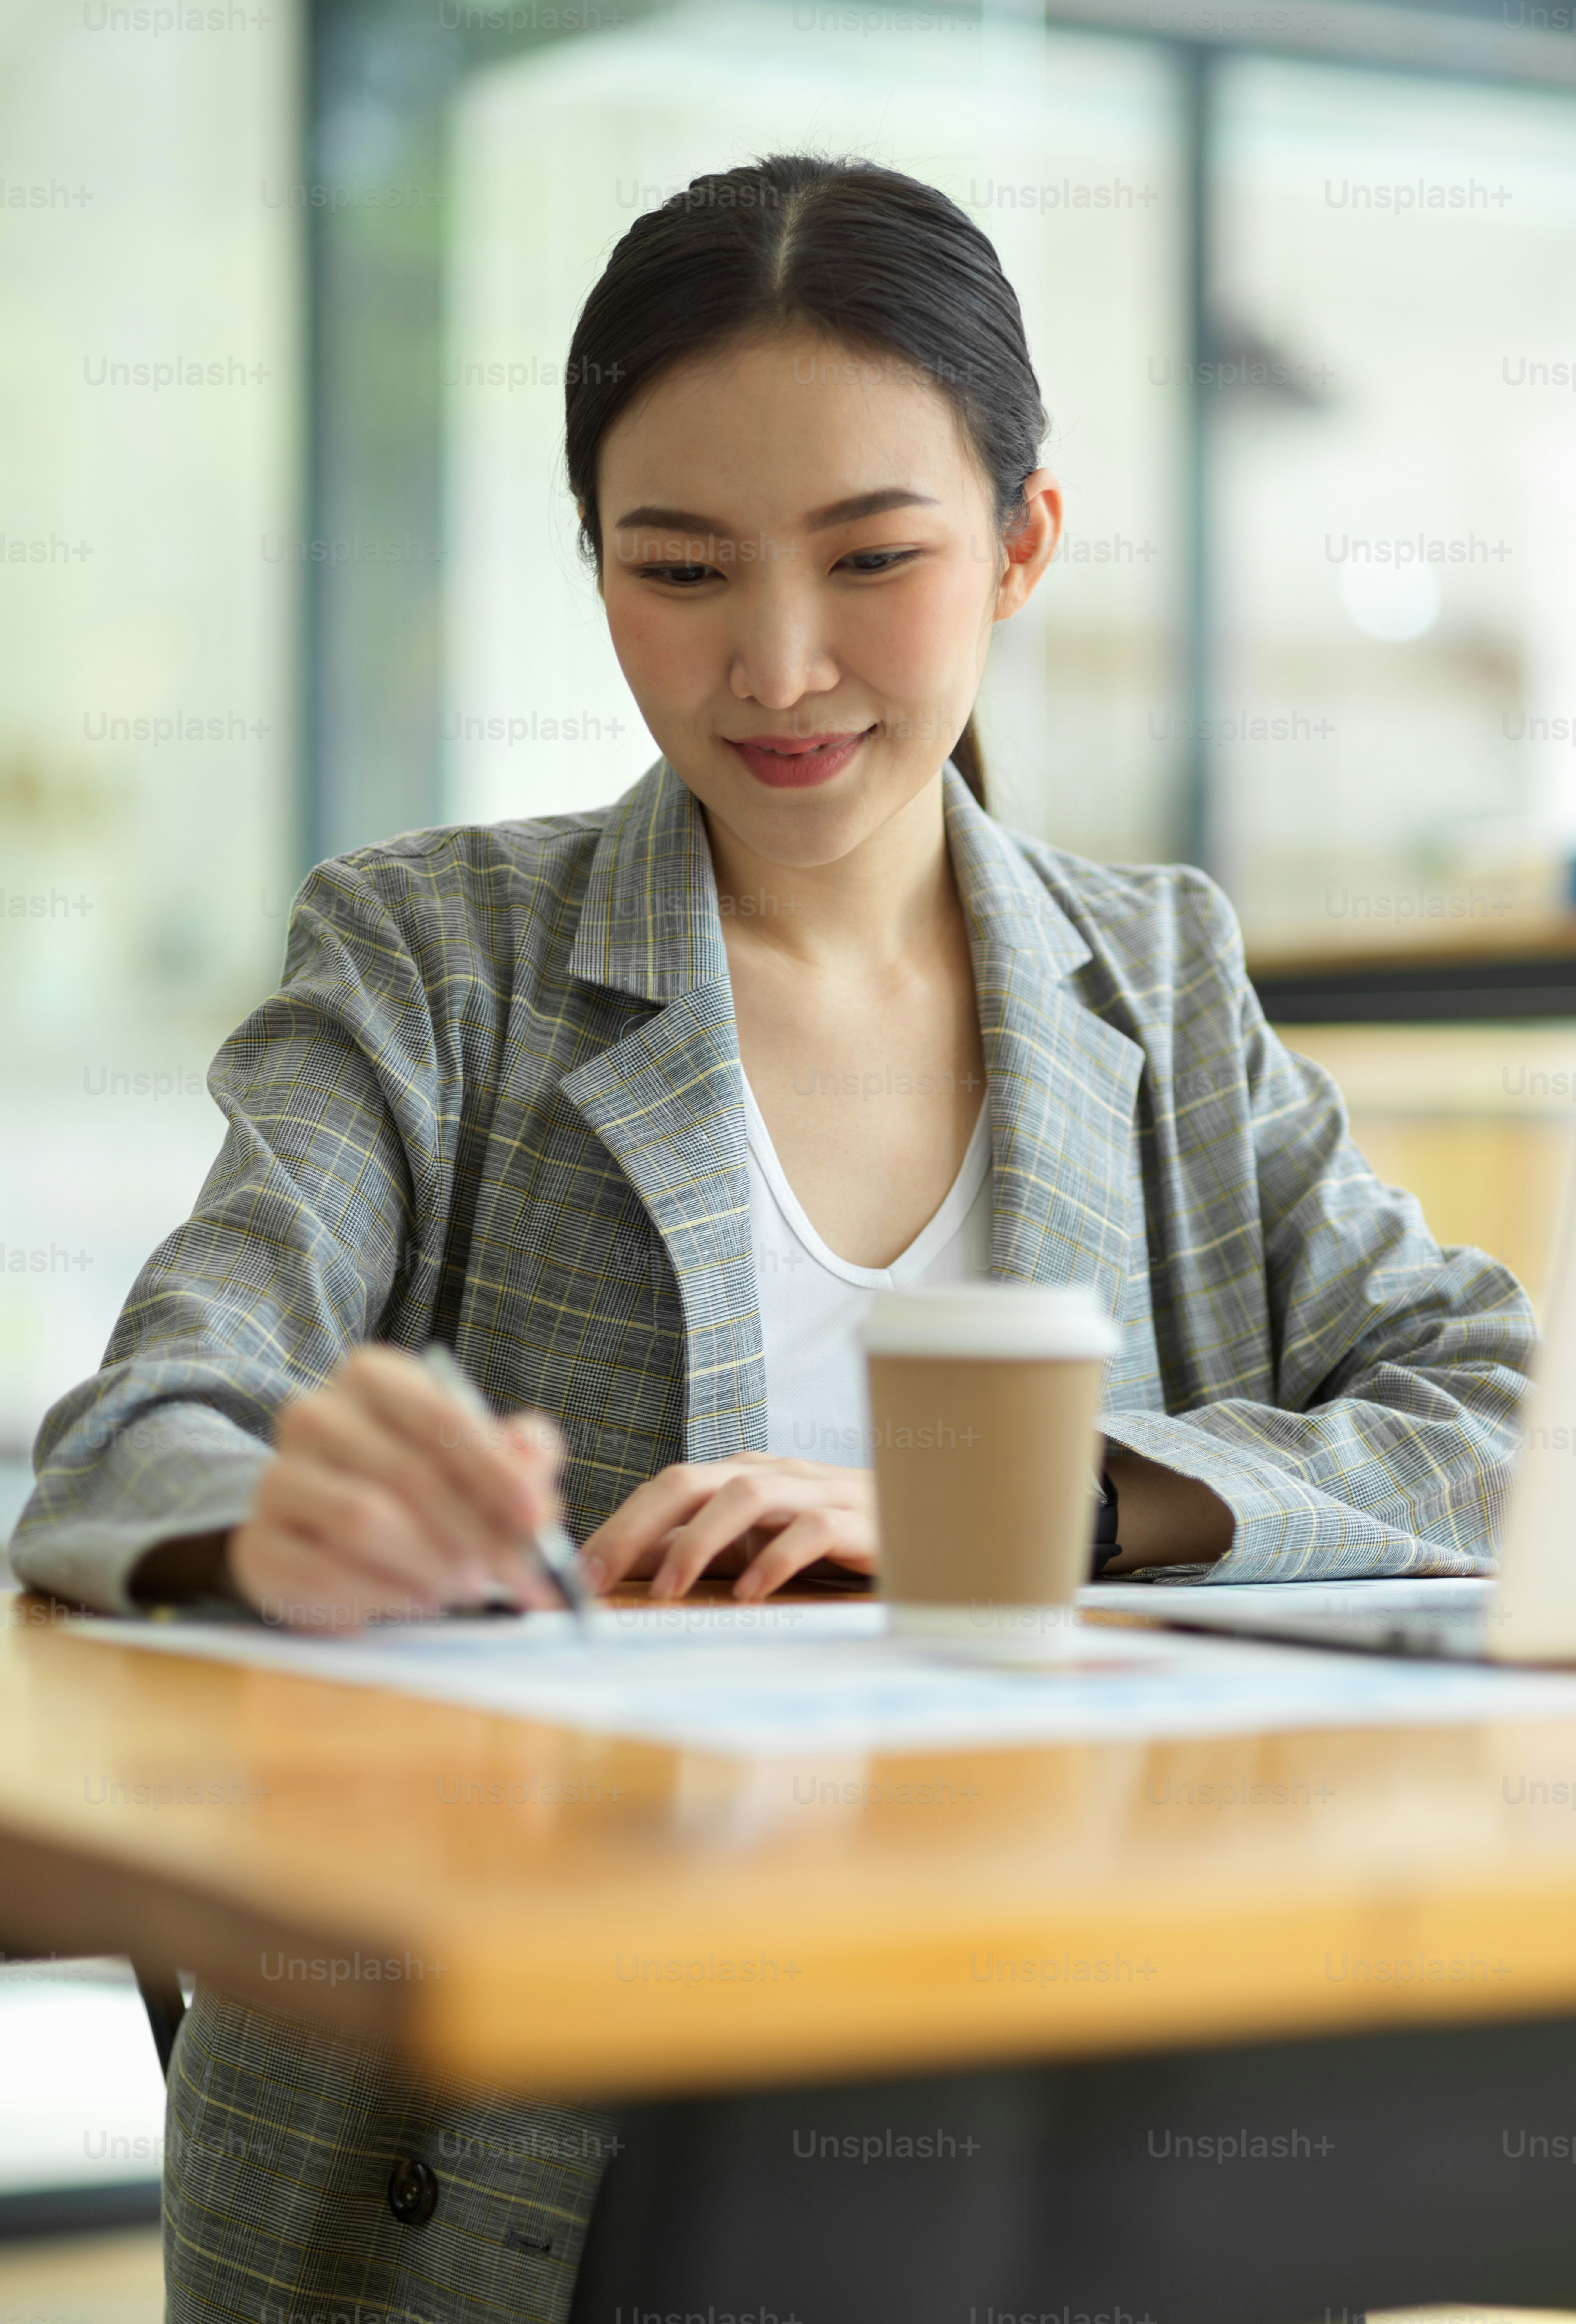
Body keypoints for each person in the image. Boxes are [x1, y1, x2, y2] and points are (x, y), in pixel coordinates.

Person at [11, 153, 1536, 2324]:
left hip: (1096, 2065)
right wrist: (277, 1526)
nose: (777, 664)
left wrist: (1038, 1509)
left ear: (1020, 545)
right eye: (681, 567)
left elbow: (1495, 1407)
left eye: (873, 555)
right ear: (597, 570)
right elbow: (133, 1433)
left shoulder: (1162, 981)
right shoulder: (439, 956)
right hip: (567, 2154)